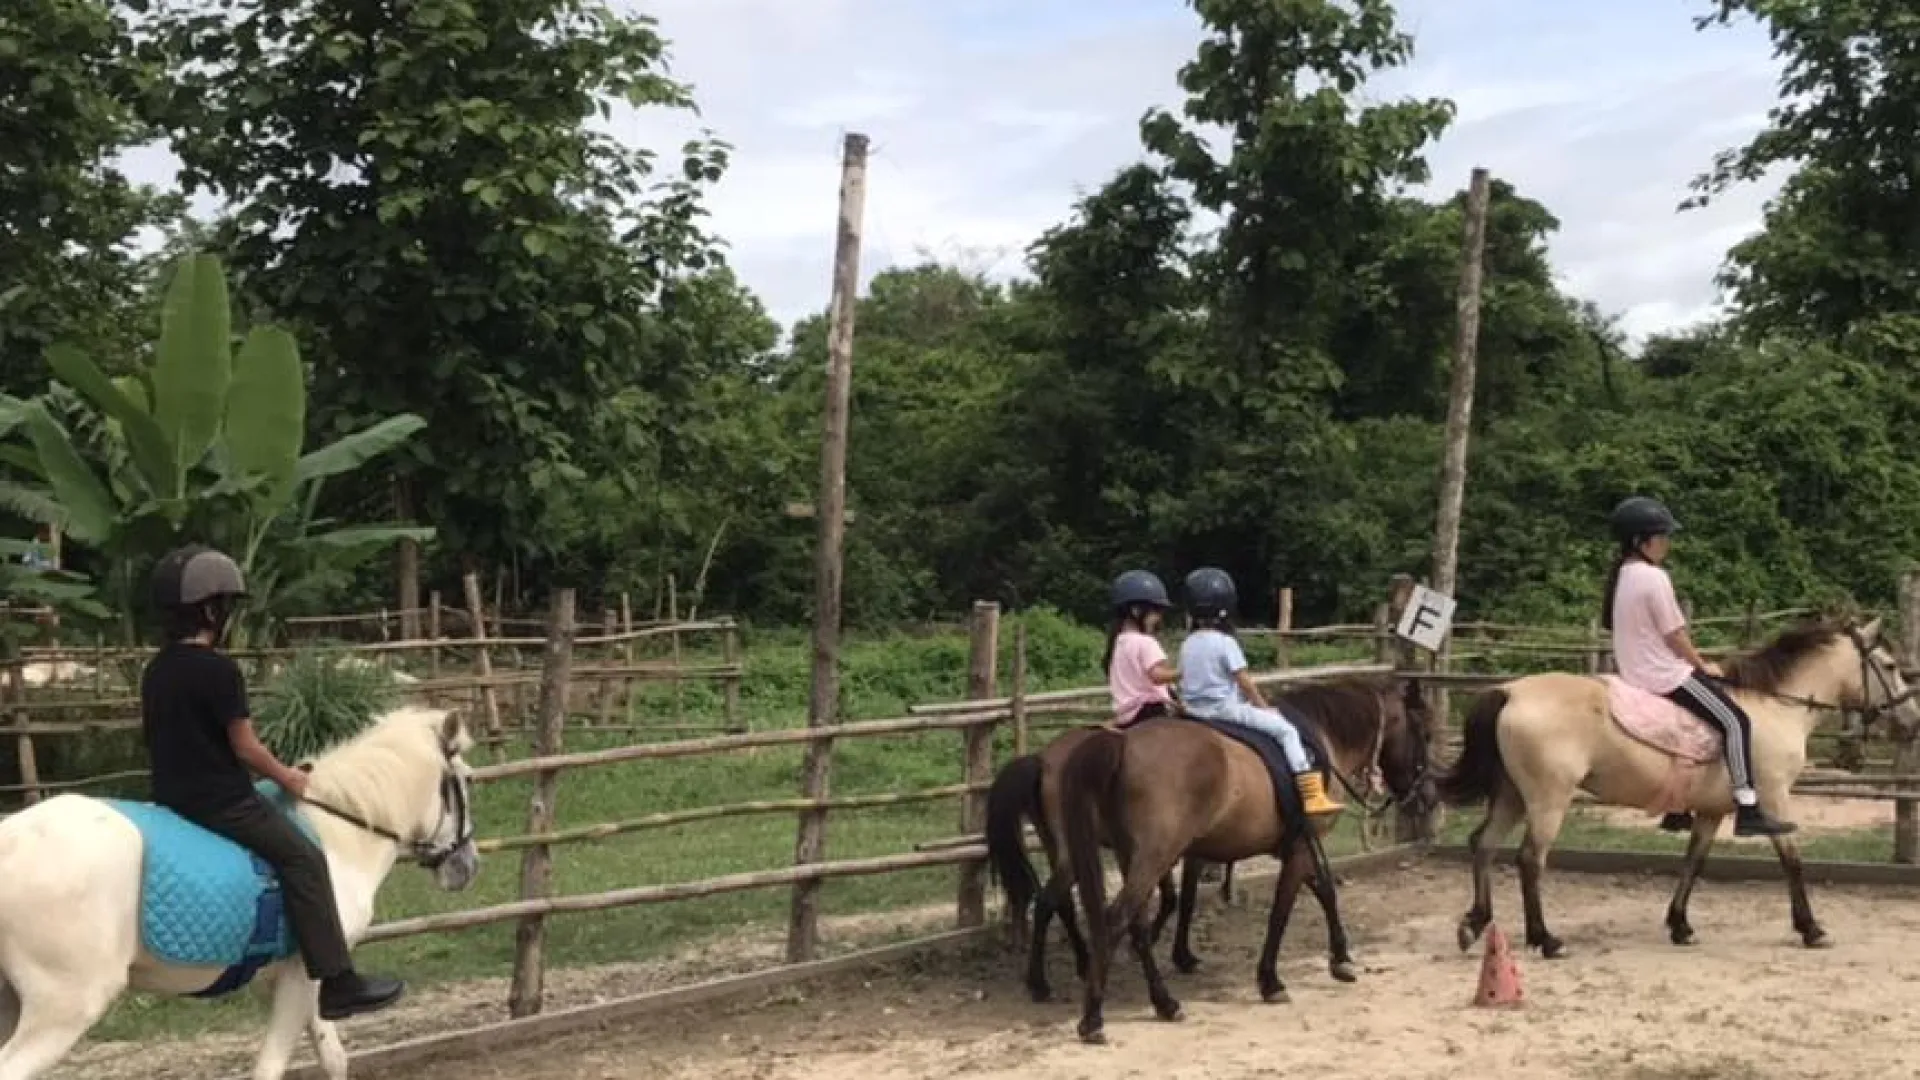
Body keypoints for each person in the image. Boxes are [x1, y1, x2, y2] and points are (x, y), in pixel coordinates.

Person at [139, 543, 407, 1018]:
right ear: (209, 609)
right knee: (304, 858)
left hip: (170, 799)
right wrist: (289, 778)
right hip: (222, 802)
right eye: (224, 606)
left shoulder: (156, 670)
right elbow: (245, 747)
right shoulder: (219, 671)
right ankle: (338, 981)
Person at [1602, 496, 1795, 837]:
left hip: (1633, 671)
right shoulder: (1653, 578)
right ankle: (1748, 808)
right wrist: (1702, 666)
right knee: (1736, 720)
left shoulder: (1622, 577)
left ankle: (1679, 808)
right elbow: (1675, 635)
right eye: (1662, 536)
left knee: (1695, 725)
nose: (1667, 544)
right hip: (1662, 675)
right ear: (1641, 540)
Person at [1175, 566, 1343, 817]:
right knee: (1286, 730)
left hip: (1193, 710)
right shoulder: (1225, 642)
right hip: (1224, 709)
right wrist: (1262, 705)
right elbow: (1244, 681)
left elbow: (1183, 675)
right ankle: (1312, 795)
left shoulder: (1188, 643)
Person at [1102, 570, 1178, 728]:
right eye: (1156, 611)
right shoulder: (1145, 642)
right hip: (1150, 711)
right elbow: (1156, 676)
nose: (1159, 618)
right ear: (1136, 611)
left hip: (1124, 716)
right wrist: (1183, 673)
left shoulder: (1119, 643)